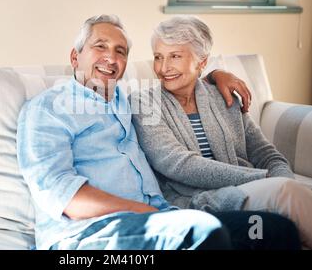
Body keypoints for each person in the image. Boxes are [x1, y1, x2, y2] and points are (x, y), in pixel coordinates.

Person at [17, 14, 300, 250]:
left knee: (275, 230)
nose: (110, 58)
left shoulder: (123, 102)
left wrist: (215, 75)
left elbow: (187, 78)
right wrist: (149, 213)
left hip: (161, 221)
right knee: (203, 233)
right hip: (89, 235)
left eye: (120, 51)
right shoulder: (48, 108)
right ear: (75, 57)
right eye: (100, 46)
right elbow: (64, 196)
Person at [131, 15, 312, 248]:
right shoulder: (144, 103)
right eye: (158, 57)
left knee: (290, 191)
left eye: (175, 56)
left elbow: (266, 153)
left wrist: (281, 179)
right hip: (196, 200)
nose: (163, 68)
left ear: (202, 62)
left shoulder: (223, 96)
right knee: (287, 192)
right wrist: (264, 180)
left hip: (248, 190)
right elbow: (178, 164)